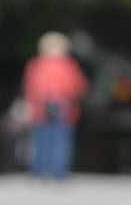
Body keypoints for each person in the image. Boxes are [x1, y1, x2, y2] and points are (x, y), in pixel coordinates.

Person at [22, 32, 88, 179]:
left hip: (59, 106)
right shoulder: (39, 65)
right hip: (46, 105)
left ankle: (55, 170)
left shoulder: (64, 64)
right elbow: (29, 87)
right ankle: (44, 169)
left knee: (57, 138)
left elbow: (78, 86)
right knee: (45, 138)